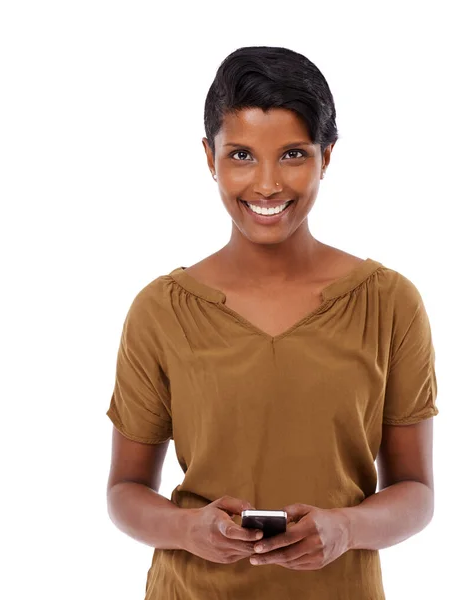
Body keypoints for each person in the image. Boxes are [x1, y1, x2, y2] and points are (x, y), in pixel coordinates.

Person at [105, 46, 439, 599]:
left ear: (326, 157)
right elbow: (124, 490)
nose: (266, 184)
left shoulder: (389, 303)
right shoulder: (161, 311)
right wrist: (187, 529)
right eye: (240, 155)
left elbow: (417, 490)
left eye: (291, 155)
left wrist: (347, 528)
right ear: (208, 157)